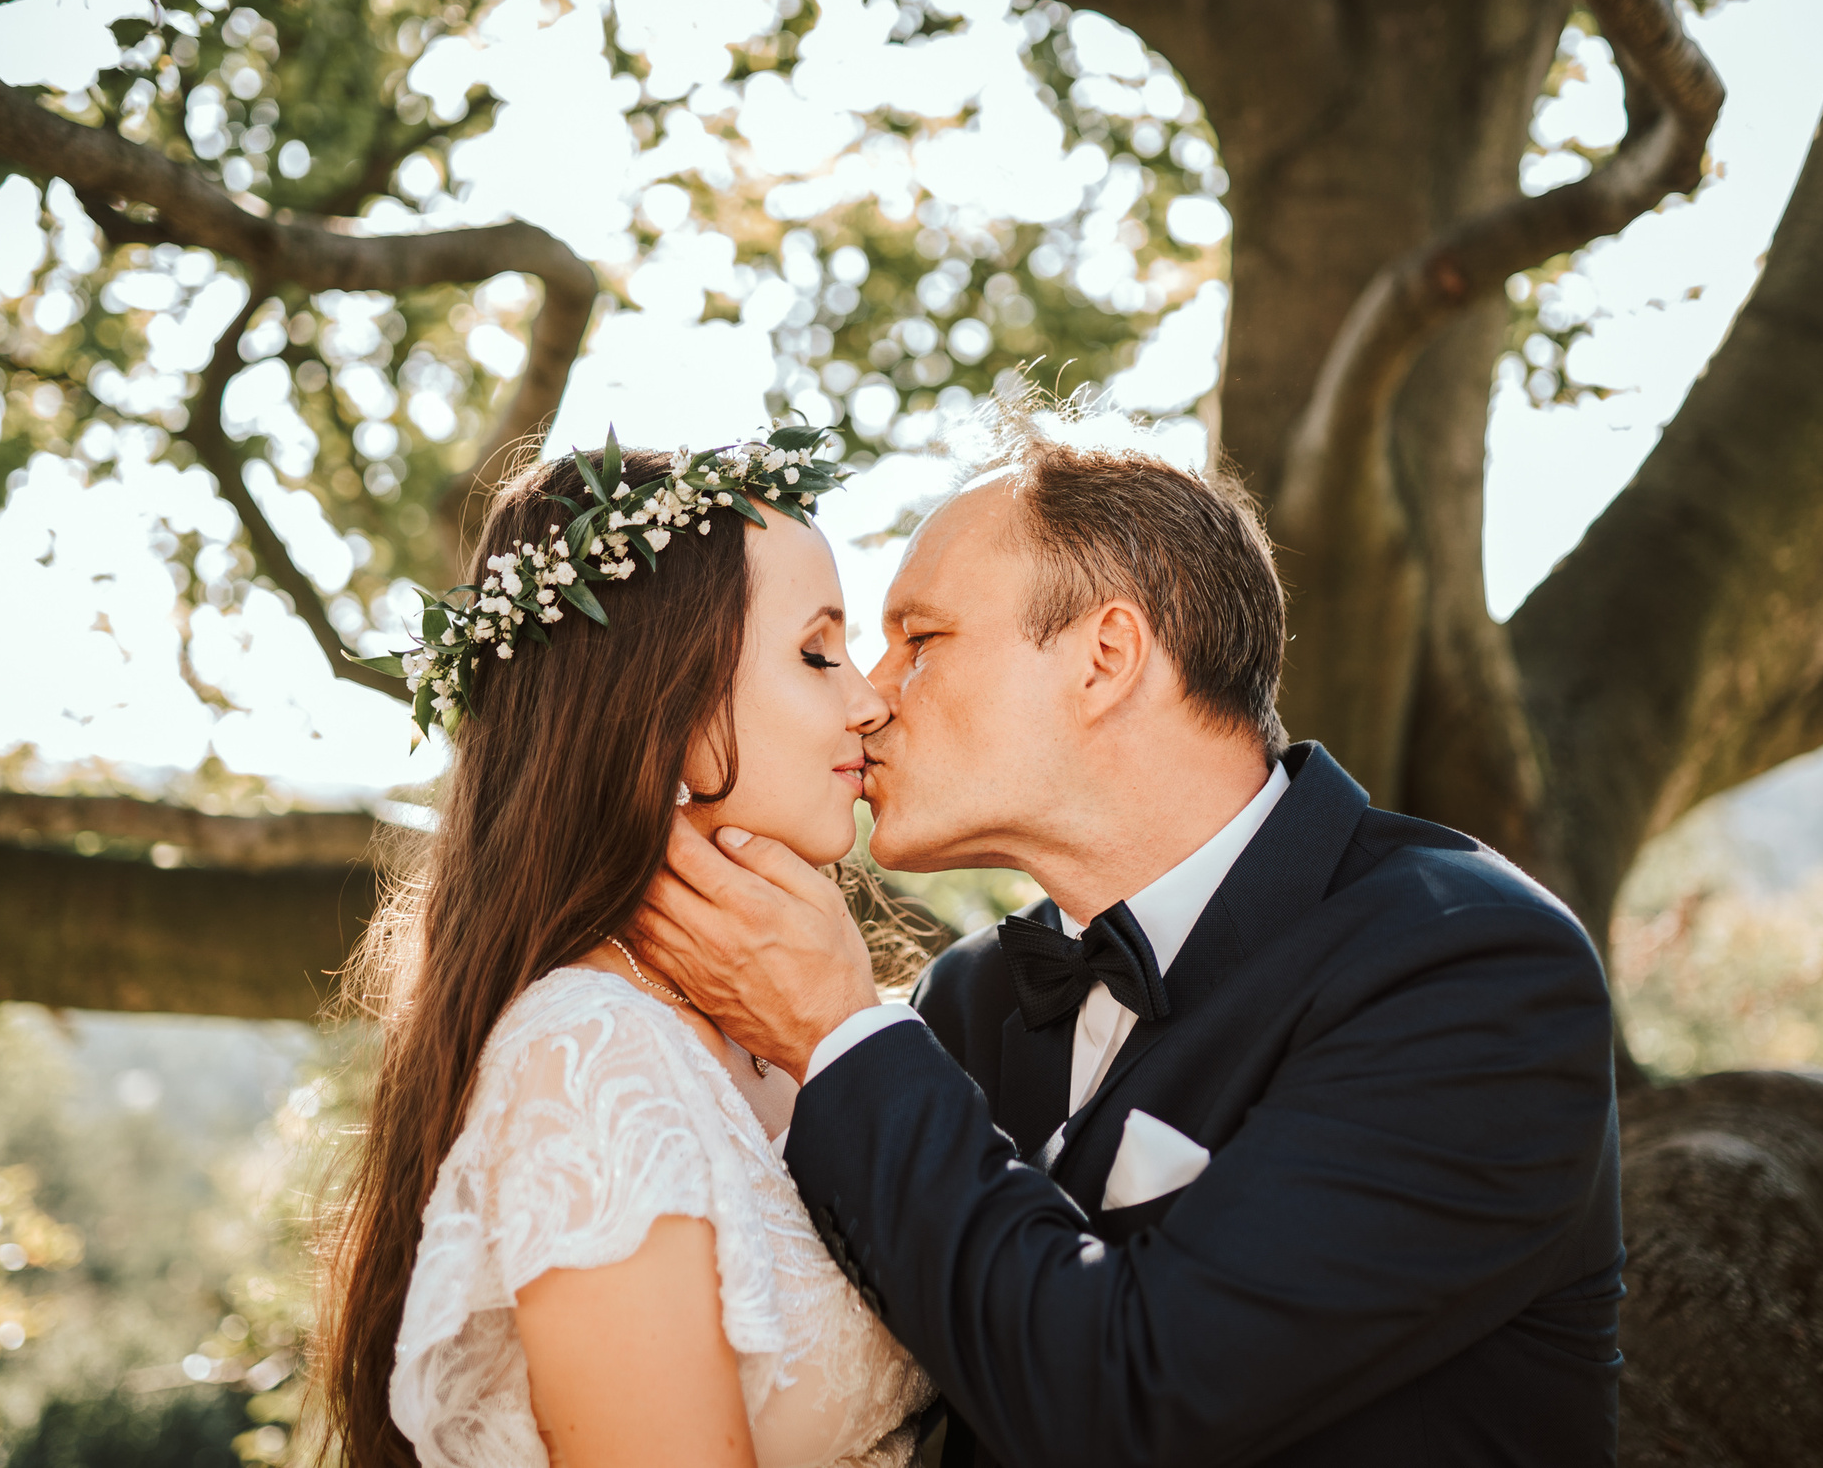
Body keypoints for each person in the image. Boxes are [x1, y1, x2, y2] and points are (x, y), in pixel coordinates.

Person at [639, 419, 1625, 1467]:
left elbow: (1134, 1404)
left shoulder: (1467, 968)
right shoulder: (965, 1004)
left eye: (920, 639)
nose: (873, 696)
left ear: (1105, 658)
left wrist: (837, 1035)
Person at [318, 432, 934, 1468]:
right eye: (817, 652)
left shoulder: (766, 1026)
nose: (868, 698)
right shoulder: (590, 1056)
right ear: (671, 708)